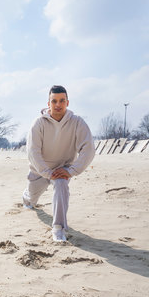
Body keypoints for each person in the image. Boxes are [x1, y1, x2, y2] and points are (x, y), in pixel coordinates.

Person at [22, 85, 95, 241]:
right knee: (31, 200)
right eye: (54, 101)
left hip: (63, 169)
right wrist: (47, 173)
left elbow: (88, 148)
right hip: (40, 170)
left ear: (67, 103)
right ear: (48, 104)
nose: (58, 105)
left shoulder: (77, 123)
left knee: (61, 185)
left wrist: (72, 170)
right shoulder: (38, 123)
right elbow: (32, 152)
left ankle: (58, 229)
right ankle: (27, 196)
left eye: (62, 101)